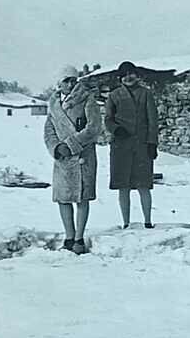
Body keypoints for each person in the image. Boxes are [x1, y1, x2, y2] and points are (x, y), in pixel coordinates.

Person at [44, 75, 101, 254]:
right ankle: (69, 237)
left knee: (82, 197)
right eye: (66, 80)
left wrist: (71, 145)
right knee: (63, 198)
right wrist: (57, 147)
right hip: (63, 158)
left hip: (82, 155)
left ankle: (79, 238)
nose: (70, 84)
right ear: (58, 83)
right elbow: (49, 129)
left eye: (73, 80)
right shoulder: (53, 103)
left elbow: (94, 128)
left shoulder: (87, 100)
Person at [104, 61, 158, 228]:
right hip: (121, 146)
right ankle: (126, 222)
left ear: (137, 75)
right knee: (123, 186)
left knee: (144, 185)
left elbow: (153, 120)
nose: (128, 77)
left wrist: (152, 143)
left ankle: (147, 221)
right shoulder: (114, 96)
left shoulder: (146, 94)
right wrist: (116, 129)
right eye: (124, 75)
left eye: (131, 73)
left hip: (142, 145)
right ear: (120, 78)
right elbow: (108, 119)